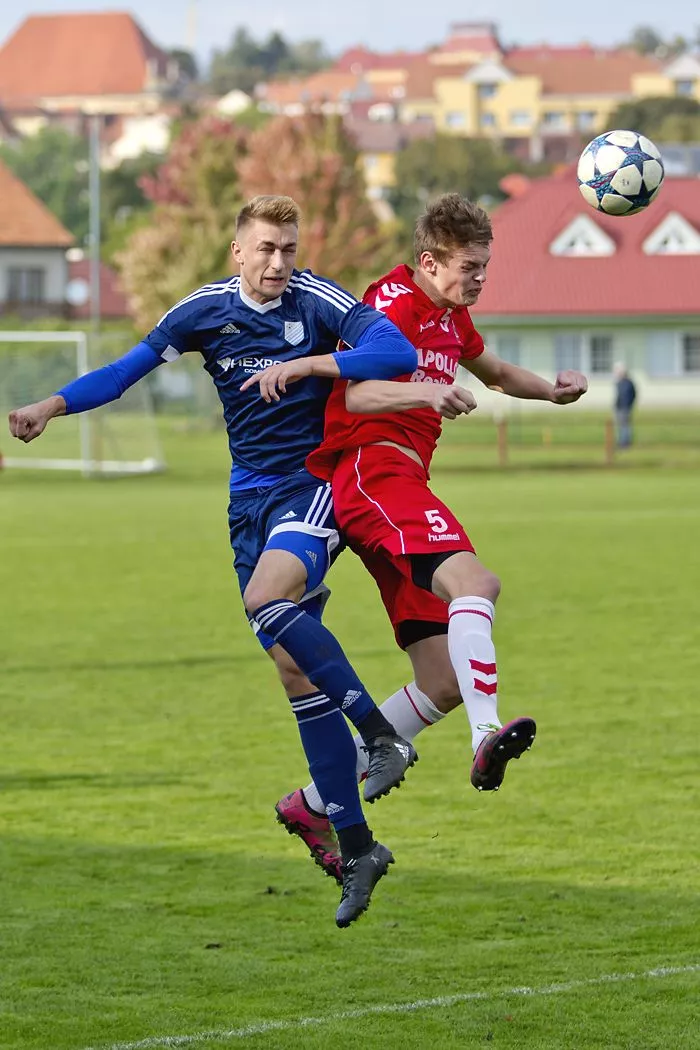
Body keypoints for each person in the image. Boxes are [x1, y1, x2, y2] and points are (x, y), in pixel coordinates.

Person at [7, 194, 425, 928]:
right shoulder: (202, 312)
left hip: (310, 487)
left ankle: (380, 732)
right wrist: (51, 406)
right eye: (266, 248)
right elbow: (124, 372)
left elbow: (397, 353)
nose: (279, 263)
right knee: (294, 671)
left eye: (289, 248)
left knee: (266, 598)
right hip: (246, 506)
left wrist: (310, 364)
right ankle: (359, 847)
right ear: (238, 251)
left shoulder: (317, 300)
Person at [249, 193, 588, 882]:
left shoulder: (451, 318)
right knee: (476, 582)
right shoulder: (392, 303)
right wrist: (425, 394)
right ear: (429, 261)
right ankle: (486, 736)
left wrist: (552, 391)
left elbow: (496, 373)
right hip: (372, 471)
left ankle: (312, 804)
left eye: (485, 267)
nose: (479, 279)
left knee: (441, 679)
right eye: (469, 267)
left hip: (401, 481)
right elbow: (356, 395)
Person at [613, 362, 636, 449]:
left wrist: (629, 404)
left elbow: (633, 395)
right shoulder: (619, 382)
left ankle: (625, 443)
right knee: (619, 426)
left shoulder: (628, 383)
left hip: (625, 408)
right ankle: (621, 442)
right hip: (619, 407)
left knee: (625, 426)